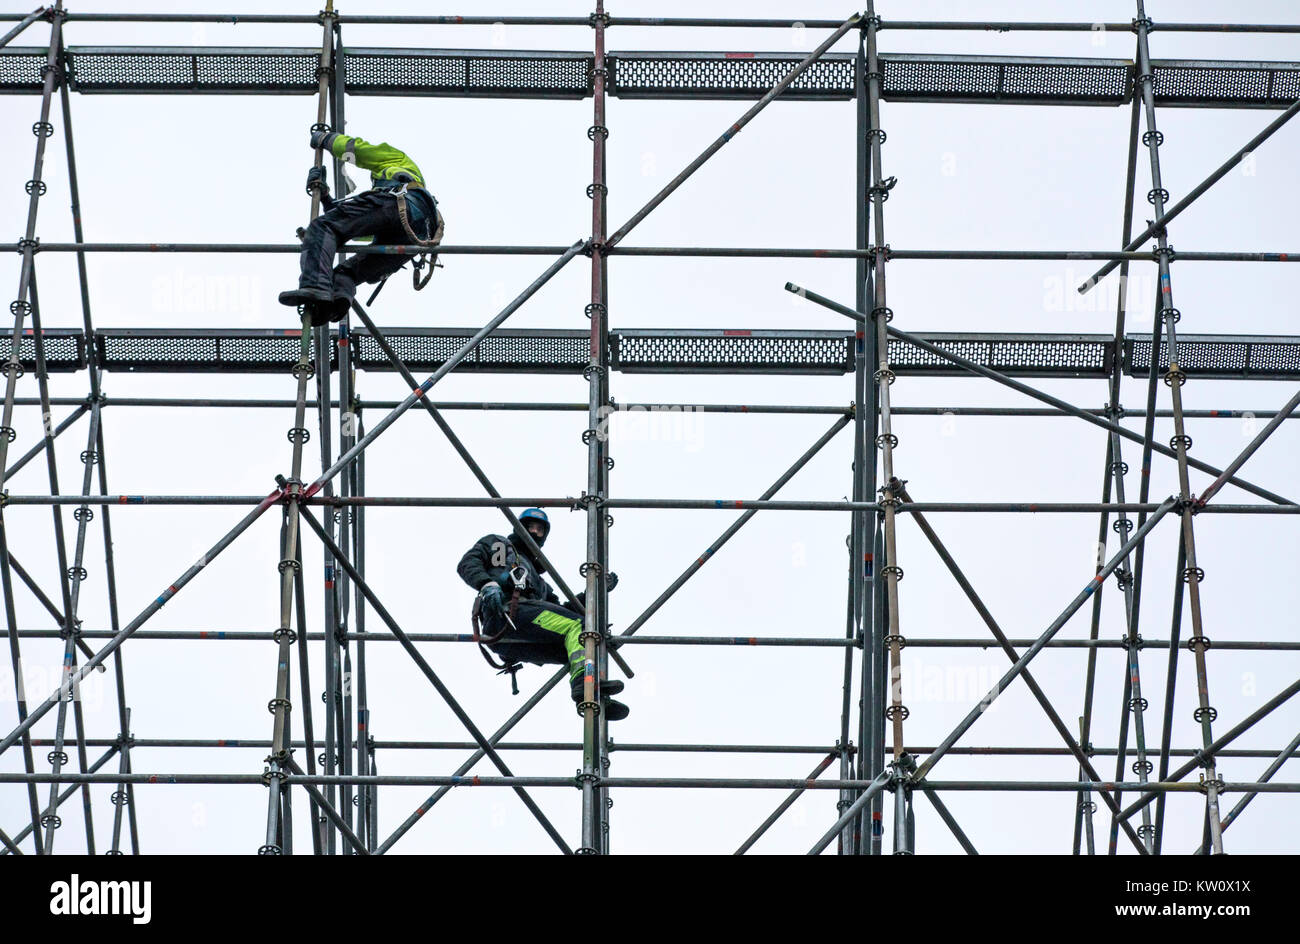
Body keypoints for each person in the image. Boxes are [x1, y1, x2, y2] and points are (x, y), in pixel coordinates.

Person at [457, 508, 629, 721]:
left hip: (517, 635)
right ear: (519, 526)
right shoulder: (500, 545)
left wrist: (593, 593)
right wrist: (487, 584)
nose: (535, 532)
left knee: (584, 638)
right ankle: (582, 685)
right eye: (530, 526)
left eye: (540, 529)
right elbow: (467, 563)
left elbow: (563, 612)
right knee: (582, 628)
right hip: (506, 614)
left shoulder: (539, 584)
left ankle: (591, 693)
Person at [279, 130, 444, 326]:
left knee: (321, 228)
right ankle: (332, 305)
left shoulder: (398, 162)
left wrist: (325, 139)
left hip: (397, 206)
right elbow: (358, 227)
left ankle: (315, 287)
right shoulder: (411, 197)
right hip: (416, 235)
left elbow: (357, 150)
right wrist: (325, 197)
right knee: (346, 273)